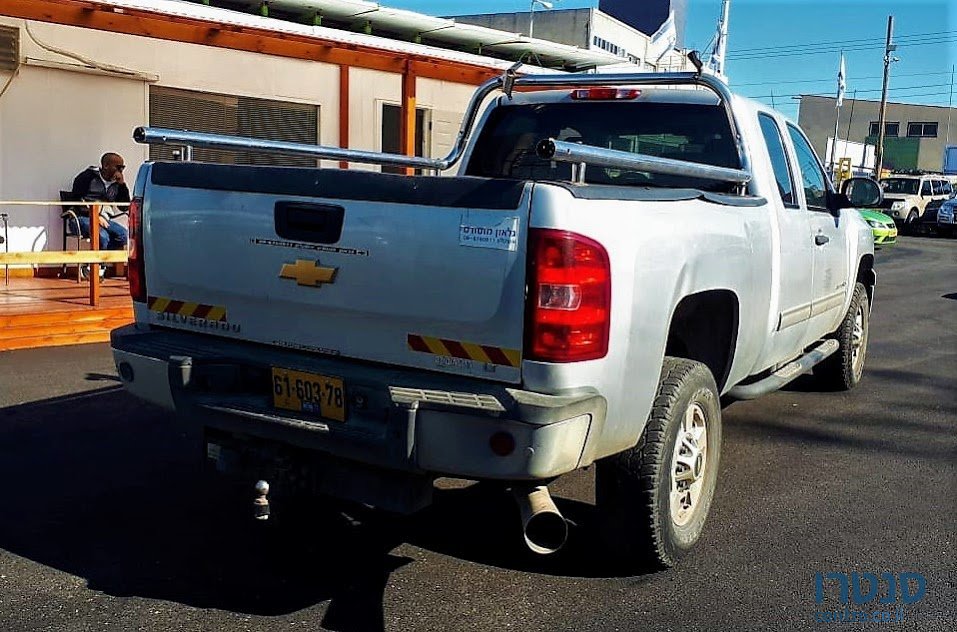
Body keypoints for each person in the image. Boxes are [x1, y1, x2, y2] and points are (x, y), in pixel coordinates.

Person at [71, 152, 130, 251]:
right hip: (82, 217)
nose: (120, 171)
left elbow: (124, 207)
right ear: (106, 166)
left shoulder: (117, 184)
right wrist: (95, 216)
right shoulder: (87, 177)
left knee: (124, 236)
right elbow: (76, 201)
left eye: (122, 168)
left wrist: (122, 185)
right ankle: (97, 264)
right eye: (118, 167)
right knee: (102, 236)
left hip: (104, 219)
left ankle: (101, 261)